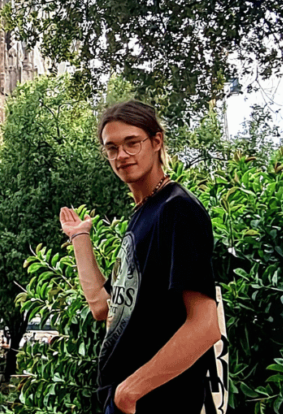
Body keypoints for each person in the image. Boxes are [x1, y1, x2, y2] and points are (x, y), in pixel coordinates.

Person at [59, 100, 220, 414]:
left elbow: (205, 325)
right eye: (112, 148)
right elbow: (103, 307)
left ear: (156, 141)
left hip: (153, 402)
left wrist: (130, 392)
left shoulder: (176, 209)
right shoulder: (144, 213)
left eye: (132, 143)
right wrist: (80, 238)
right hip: (123, 402)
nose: (122, 156)